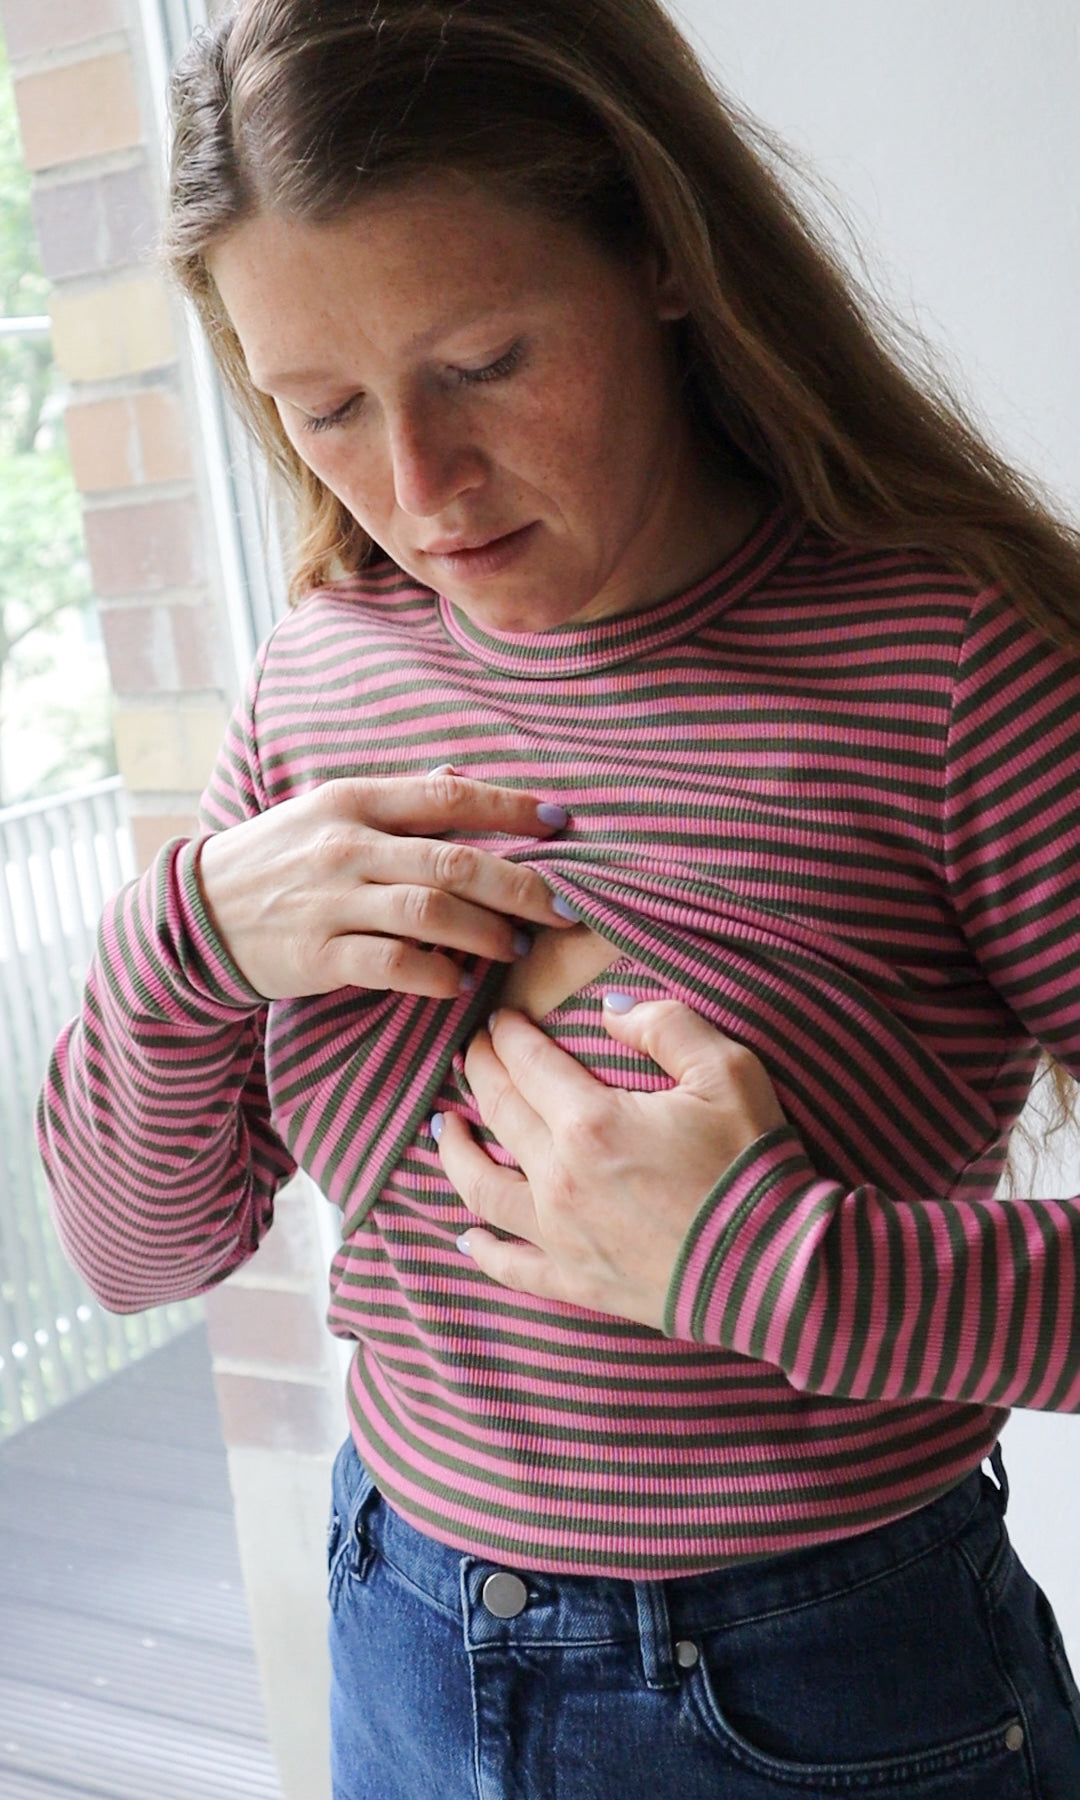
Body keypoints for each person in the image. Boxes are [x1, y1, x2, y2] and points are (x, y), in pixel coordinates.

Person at [37, 0, 1080, 1794]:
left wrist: (785, 1269)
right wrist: (182, 940)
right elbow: (140, 1255)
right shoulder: (320, 676)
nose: (418, 487)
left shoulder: (952, 677)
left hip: (826, 1695)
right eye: (323, 408)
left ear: (663, 250)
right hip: (400, 1635)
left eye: (486, 362)